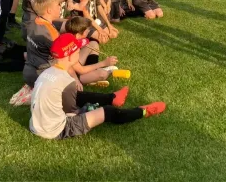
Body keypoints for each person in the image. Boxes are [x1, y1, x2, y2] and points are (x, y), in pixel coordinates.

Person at [29, 33, 166, 140]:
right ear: (70, 56)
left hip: (35, 126)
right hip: (56, 130)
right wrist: (88, 111)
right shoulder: (67, 81)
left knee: (77, 95)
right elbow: (71, 113)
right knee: (107, 112)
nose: (79, 52)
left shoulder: (46, 72)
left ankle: (112, 97)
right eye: (77, 51)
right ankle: (143, 111)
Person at [23, 0, 113, 88]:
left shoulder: (35, 22)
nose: (60, 6)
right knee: (102, 74)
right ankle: (87, 77)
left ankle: (89, 73)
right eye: (58, 5)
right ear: (49, 10)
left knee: (93, 44)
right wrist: (76, 80)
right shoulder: (51, 34)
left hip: (29, 71)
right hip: (46, 77)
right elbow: (71, 66)